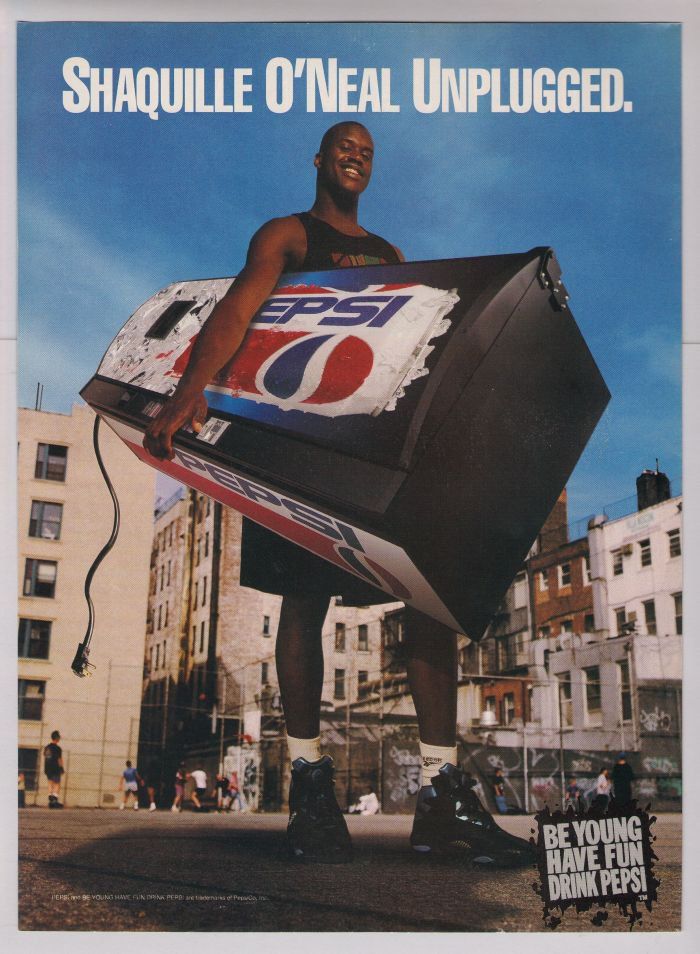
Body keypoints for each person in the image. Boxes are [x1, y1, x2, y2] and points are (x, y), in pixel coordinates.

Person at [144, 122, 533, 867]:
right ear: (320, 160)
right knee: (304, 602)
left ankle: (443, 795)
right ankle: (311, 787)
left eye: (369, 150)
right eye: (343, 146)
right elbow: (236, 310)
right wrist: (189, 392)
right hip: (295, 439)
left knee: (427, 595)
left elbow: (420, 340)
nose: (357, 155)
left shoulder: (387, 257)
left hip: (368, 444)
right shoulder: (288, 235)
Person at [43, 730, 64, 808]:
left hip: (48, 768)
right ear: (57, 738)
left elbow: (45, 756)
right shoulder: (58, 748)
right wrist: (61, 768)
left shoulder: (47, 747)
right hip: (55, 768)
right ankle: (55, 800)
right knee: (57, 784)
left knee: (50, 782)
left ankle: (50, 799)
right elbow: (59, 759)